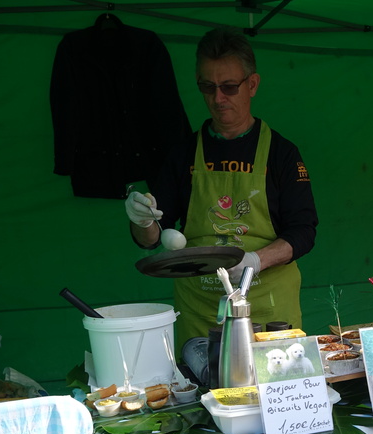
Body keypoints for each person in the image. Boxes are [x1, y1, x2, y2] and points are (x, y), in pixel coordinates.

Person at [124, 26, 317, 354]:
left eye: (228, 87)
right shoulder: (182, 154)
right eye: (207, 87)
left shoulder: (281, 154)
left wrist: (255, 260)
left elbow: (303, 231)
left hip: (268, 311)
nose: (218, 98)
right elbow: (155, 238)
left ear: (252, 84)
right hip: (200, 314)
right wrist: (141, 220)